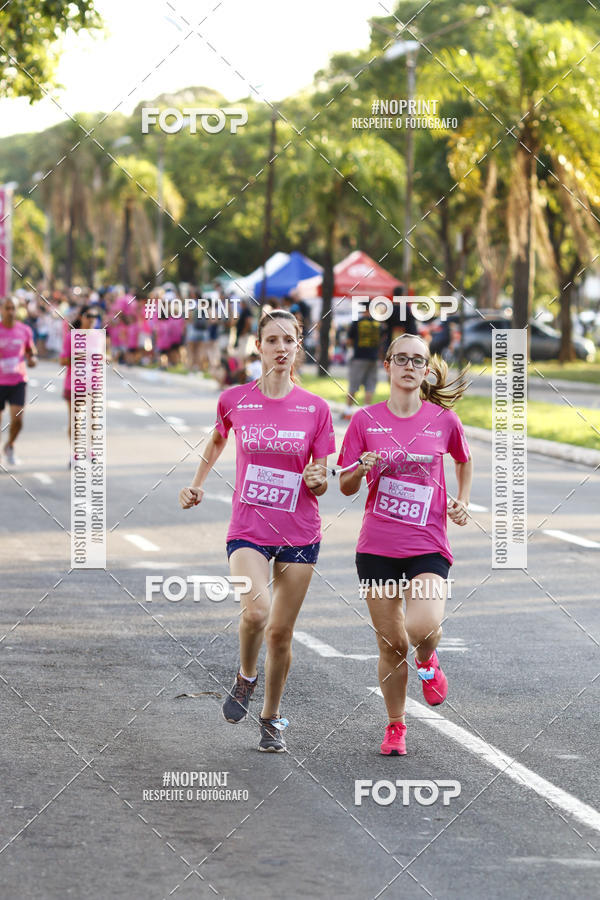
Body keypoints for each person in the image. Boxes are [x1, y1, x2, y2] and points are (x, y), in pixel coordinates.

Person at [179, 309, 335, 752]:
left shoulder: (316, 408)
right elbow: (216, 439)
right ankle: (245, 675)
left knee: (282, 634)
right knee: (255, 612)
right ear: (258, 345)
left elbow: (321, 474)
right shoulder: (235, 399)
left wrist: (317, 480)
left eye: (290, 340)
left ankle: (271, 718)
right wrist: (196, 484)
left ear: (298, 346)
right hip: (248, 526)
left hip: (300, 531)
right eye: (273, 340)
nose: (282, 348)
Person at [338, 333, 473, 756]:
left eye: (418, 360)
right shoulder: (365, 421)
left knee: (421, 627)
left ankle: (429, 661)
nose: (410, 366)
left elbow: (463, 459)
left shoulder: (444, 420)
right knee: (391, 644)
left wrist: (462, 500)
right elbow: (343, 486)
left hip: (428, 543)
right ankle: (396, 726)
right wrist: (360, 468)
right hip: (377, 546)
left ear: (427, 369)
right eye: (402, 359)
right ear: (388, 366)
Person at [59, 305, 103, 463]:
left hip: (94, 383)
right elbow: (62, 360)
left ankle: (91, 450)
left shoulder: (99, 336)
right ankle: (76, 453)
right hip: (75, 384)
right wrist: (78, 357)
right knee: (76, 420)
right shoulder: (72, 336)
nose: (92, 319)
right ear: (81, 317)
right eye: (89, 315)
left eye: (95, 316)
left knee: (94, 419)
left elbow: (104, 355)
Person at [0, 297, 37, 467]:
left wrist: (32, 359)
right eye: (7, 308)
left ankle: (10, 445)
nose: (10, 312)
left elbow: (31, 351)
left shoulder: (24, 330)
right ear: (1, 310)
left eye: (13, 308)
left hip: (17, 381)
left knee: (18, 420)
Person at [343, 305, 383, 419]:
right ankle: (366, 412)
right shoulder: (378, 324)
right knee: (370, 385)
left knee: (353, 384)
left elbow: (349, 341)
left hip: (358, 357)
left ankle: (348, 411)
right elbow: (380, 341)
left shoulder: (357, 322)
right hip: (373, 358)